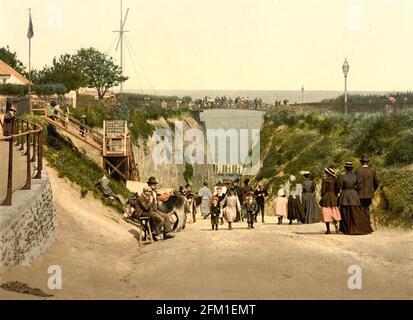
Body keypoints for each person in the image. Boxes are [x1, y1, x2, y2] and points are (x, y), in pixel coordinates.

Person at [337, 162, 373, 235]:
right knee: (355, 212)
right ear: (352, 168)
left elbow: (339, 187)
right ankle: (356, 227)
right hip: (354, 194)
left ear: (345, 168)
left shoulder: (342, 176)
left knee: (345, 212)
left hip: (345, 194)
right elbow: (359, 187)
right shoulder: (356, 176)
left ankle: (347, 229)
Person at [356, 155, 379, 222]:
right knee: (367, 208)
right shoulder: (372, 171)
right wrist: (373, 190)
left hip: (359, 193)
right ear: (367, 162)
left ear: (361, 162)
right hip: (369, 193)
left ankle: (363, 224)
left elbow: (355, 182)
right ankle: (367, 222)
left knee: (361, 208)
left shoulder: (358, 171)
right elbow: (376, 183)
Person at [320, 168, 341, 234]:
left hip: (326, 198)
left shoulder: (324, 180)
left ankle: (328, 230)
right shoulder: (335, 180)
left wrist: (323, 196)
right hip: (334, 197)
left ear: (327, 173)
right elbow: (337, 189)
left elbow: (323, 191)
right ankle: (336, 227)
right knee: (334, 212)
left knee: (327, 214)